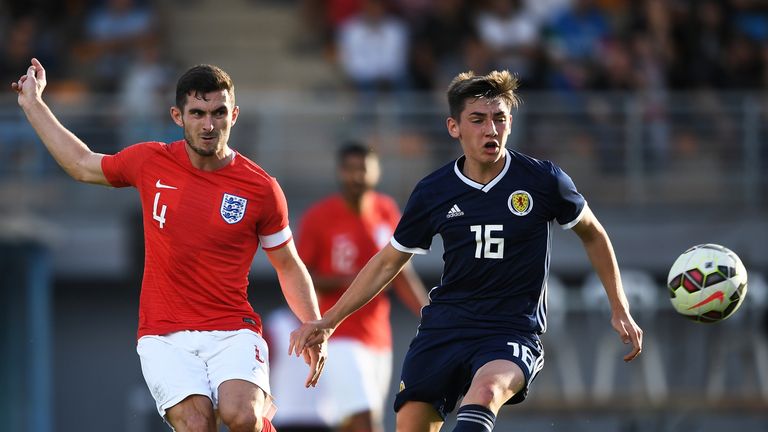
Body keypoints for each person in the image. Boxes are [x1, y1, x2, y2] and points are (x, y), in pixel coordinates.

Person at [290, 70, 643, 432]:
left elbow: (594, 235)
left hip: (511, 330)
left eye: (499, 118)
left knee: (486, 391)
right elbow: (389, 262)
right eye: (477, 119)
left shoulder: (543, 180)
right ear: (454, 127)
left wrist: (620, 308)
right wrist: (329, 320)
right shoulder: (433, 191)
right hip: (445, 328)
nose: (491, 129)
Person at [11, 58, 327, 432]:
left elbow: (287, 264)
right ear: (178, 116)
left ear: (234, 115)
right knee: (197, 424)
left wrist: (313, 324)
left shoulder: (261, 188)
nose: (209, 125)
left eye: (218, 112)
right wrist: (34, 104)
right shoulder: (151, 160)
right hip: (163, 333)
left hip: (231, 328)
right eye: (198, 113)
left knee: (242, 415)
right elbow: (82, 163)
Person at [294, 143, 428, 432]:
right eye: (350, 169)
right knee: (365, 420)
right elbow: (300, 274)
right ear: (340, 172)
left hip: (378, 336)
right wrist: (354, 282)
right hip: (339, 333)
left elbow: (401, 271)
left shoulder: (386, 210)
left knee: (355, 422)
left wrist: (429, 313)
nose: (356, 176)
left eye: (363, 168)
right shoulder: (319, 217)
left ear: (376, 170)